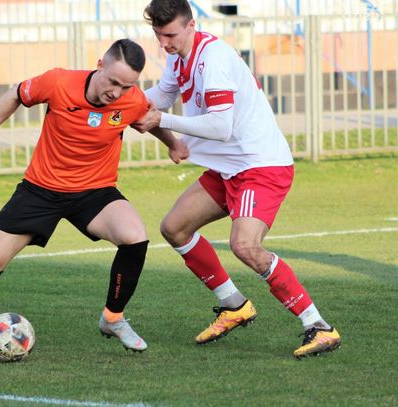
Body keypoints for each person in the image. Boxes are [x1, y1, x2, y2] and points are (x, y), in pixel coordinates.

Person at [0, 38, 188, 358]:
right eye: (113, 82)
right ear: (100, 65)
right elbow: (15, 95)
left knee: (135, 237)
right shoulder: (59, 82)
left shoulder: (131, 99)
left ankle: (112, 318)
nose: (117, 92)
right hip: (40, 189)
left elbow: (148, 118)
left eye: (126, 86)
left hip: (95, 191)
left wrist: (173, 144)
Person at [133, 0, 341, 358]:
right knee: (175, 228)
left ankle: (319, 326)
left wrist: (162, 121)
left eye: (169, 35)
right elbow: (162, 95)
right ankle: (233, 304)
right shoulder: (179, 56)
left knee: (245, 246)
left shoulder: (213, 58)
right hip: (228, 167)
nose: (164, 43)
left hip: (260, 165)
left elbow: (220, 126)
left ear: (190, 25)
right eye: (158, 35)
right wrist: (122, 99)